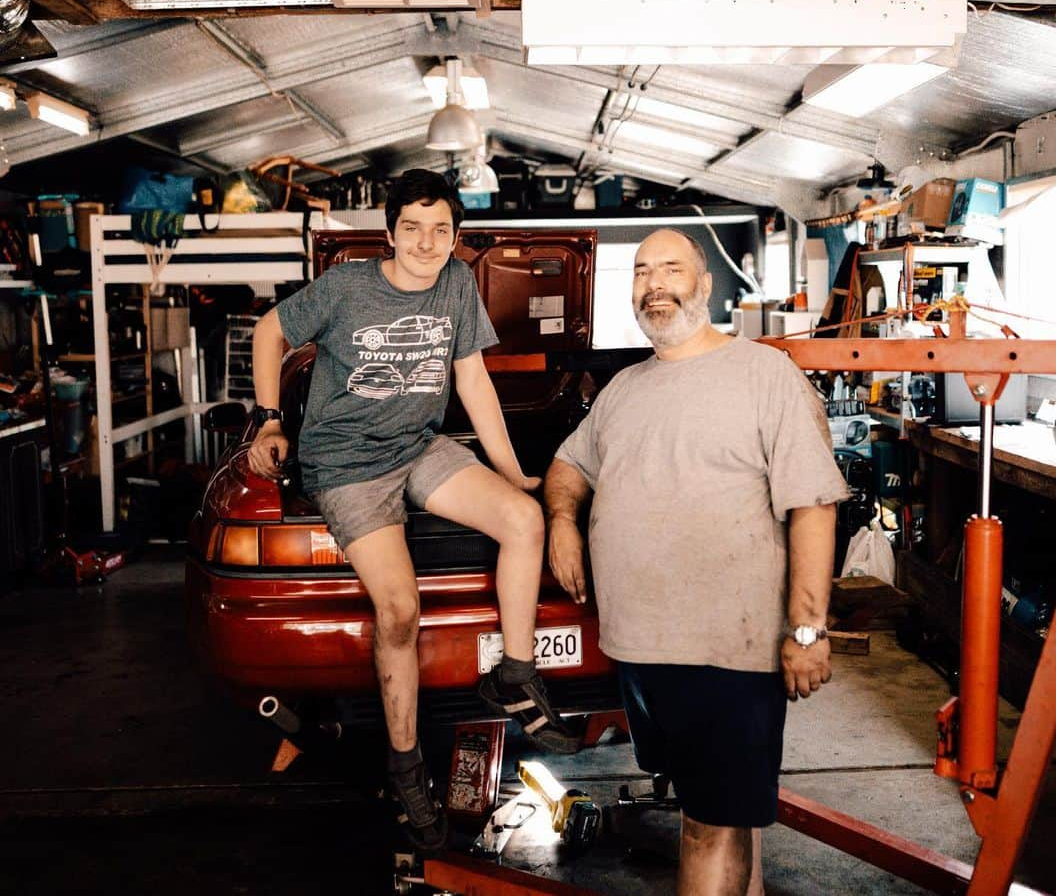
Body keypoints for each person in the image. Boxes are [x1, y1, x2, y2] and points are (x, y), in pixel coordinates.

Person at [247, 169, 581, 852]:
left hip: (417, 445)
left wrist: (512, 469)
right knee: (399, 610)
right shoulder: (345, 287)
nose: (428, 242)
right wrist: (269, 418)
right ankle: (405, 769)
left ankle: (514, 675)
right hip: (345, 462)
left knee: (523, 518)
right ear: (390, 230)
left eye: (441, 229)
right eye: (413, 228)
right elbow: (267, 330)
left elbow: (472, 378)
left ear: (455, 234)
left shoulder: (458, 282)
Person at [544, 228, 849, 896]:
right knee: (716, 809)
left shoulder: (764, 374)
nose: (655, 283)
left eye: (671, 268)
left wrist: (806, 630)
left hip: (727, 652)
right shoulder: (625, 388)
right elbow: (568, 463)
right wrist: (563, 518)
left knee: (708, 825)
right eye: (642, 270)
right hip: (645, 651)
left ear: (705, 285)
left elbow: (813, 505)